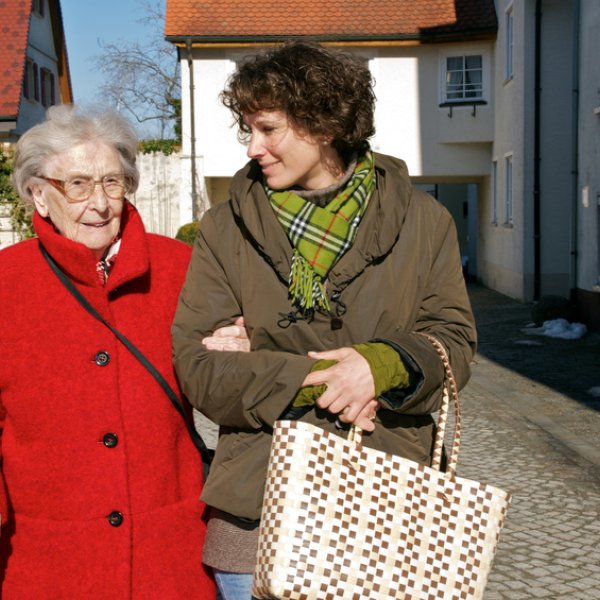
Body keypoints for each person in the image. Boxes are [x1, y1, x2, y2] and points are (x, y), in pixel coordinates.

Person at [172, 41, 477, 599]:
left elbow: (453, 342)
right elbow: (199, 368)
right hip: (257, 506)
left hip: (388, 503)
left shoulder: (425, 221)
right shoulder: (223, 229)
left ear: (323, 123)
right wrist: (330, 380)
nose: (253, 146)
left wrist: (380, 365)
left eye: (268, 129)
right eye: (248, 130)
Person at [0, 105, 217, 598]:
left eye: (112, 183)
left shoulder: (180, 268)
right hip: (47, 559)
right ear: (39, 193)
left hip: (170, 555)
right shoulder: (5, 282)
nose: (99, 203)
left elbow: (227, 385)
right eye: (77, 184)